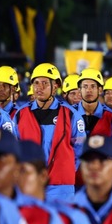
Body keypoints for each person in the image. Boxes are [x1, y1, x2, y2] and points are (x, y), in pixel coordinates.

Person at [12, 63, 86, 202]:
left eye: (45, 83)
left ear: (55, 87)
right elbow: (13, 149)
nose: (39, 87)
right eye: (36, 83)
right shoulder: (20, 115)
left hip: (61, 186)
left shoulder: (71, 114)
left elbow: (81, 148)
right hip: (29, 182)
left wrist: (66, 168)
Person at [75, 68, 112, 139]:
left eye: (93, 86)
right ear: (79, 90)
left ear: (100, 90)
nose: (88, 90)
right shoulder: (69, 113)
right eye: (85, 86)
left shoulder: (111, 116)